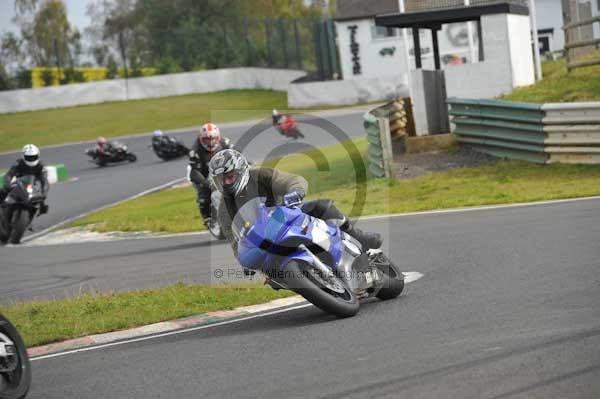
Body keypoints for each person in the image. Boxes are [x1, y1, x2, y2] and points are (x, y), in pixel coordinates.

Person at [208, 149, 382, 258]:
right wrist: (245, 260)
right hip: (266, 243)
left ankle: (358, 236)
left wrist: (295, 192)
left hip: (289, 216)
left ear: (240, 171)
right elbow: (234, 241)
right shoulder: (224, 208)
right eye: (221, 179)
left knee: (322, 206)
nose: (227, 183)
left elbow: (291, 180)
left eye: (229, 176)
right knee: (273, 276)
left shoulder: (261, 175)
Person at [187, 123, 234, 224]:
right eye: (207, 139)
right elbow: (195, 171)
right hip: (203, 172)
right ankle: (207, 216)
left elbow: (237, 155)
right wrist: (204, 183)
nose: (210, 142)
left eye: (213, 138)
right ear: (201, 139)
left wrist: (245, 164)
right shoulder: (195, 150)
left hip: (223, 171)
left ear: (218, 137)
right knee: (204, 190)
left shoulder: (225, 143)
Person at [0, 144, 49, 214]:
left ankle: (37, 210)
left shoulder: (41, 166)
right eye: (29, 157)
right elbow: (9, 174)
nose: (31, 159)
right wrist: (6, 184)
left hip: (33, 187)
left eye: (33, 157)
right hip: (18, 184)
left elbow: (45, 181)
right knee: (3, 191)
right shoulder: (18, 163)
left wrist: (44, 193)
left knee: (43, 205)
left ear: (38, 155)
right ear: (23, 156)